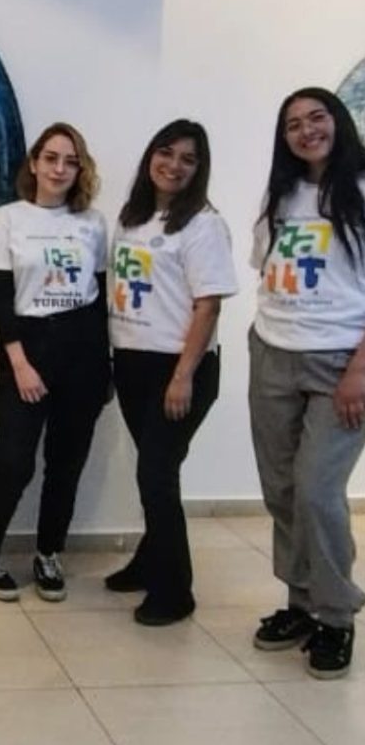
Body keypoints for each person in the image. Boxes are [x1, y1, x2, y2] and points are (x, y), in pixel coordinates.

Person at [249, 87, 365, 679]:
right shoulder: (282, 193)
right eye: (292, 123)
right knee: (282, 489)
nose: (306, 130)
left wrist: (358, 372)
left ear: (338, 122)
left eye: (317, 117)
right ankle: (301, 601)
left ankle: (337, 615)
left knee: (318, 489)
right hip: (273, 351)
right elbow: (267, 270)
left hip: (342, 361)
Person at [104, 119, 237, 625]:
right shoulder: (133, 216)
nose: (174, 165)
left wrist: (182, 376)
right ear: (150, 156)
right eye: (166, 152)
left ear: (200, 169)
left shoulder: (203, 224)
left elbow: (208, 307)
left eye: (188, 158)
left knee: (155, 473)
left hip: (180, 369)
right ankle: (150, 558)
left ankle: (175, 590)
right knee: (157, 471)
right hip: (133, 363)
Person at [0, 124, 110, 602]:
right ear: (33, 163)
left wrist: (103, 365)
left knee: (66, 463)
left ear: (79, 168)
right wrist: (20, 362)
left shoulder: (92, 222)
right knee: (13, 460)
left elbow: (99, 298)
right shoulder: (7, 218)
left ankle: (49, 553)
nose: (59, 169)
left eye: (70, 161)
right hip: (27, 347)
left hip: (83, 351)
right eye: (51, 158)